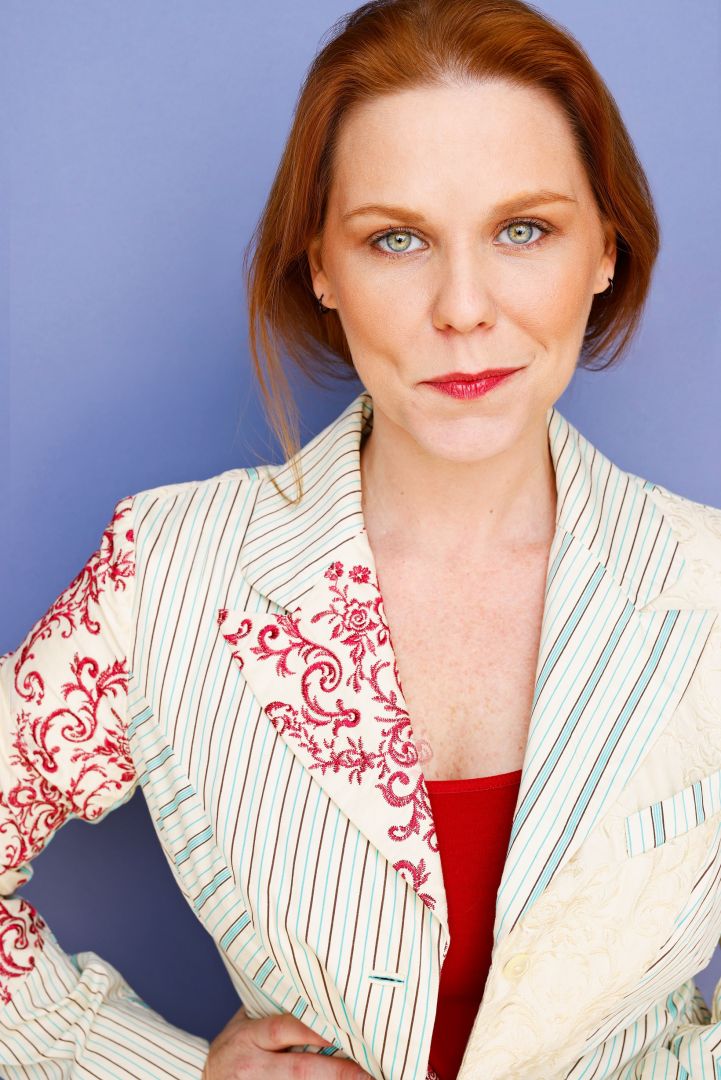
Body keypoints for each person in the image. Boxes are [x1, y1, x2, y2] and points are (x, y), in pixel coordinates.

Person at [2, 0, 721, 1077]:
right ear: (322, 270)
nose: (463, 307)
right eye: (397, 239)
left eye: (523, 230)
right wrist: (157, 1068)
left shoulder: (706, 587)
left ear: (604, 251)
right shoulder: (168, 572)